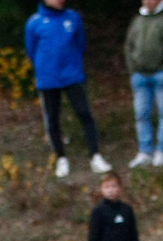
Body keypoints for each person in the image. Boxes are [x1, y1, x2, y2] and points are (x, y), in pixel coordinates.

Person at [25, 0, 112, 179]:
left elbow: (80, 44)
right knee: (53, 120)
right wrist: (44, 68)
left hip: (72, 76)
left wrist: (73, 65)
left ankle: (95, 155)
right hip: (48, 80)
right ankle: (61, 158)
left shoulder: (73, 18)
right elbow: (31, 50)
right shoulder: (34, 22)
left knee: (84, 113)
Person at [125, 0, 163, 169]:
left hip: (161, 75)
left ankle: (161, 150)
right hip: (140, 75)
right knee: (141, 114)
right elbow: (129, 46)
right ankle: (145, 151)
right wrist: (133, 69)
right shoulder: (138, 20)